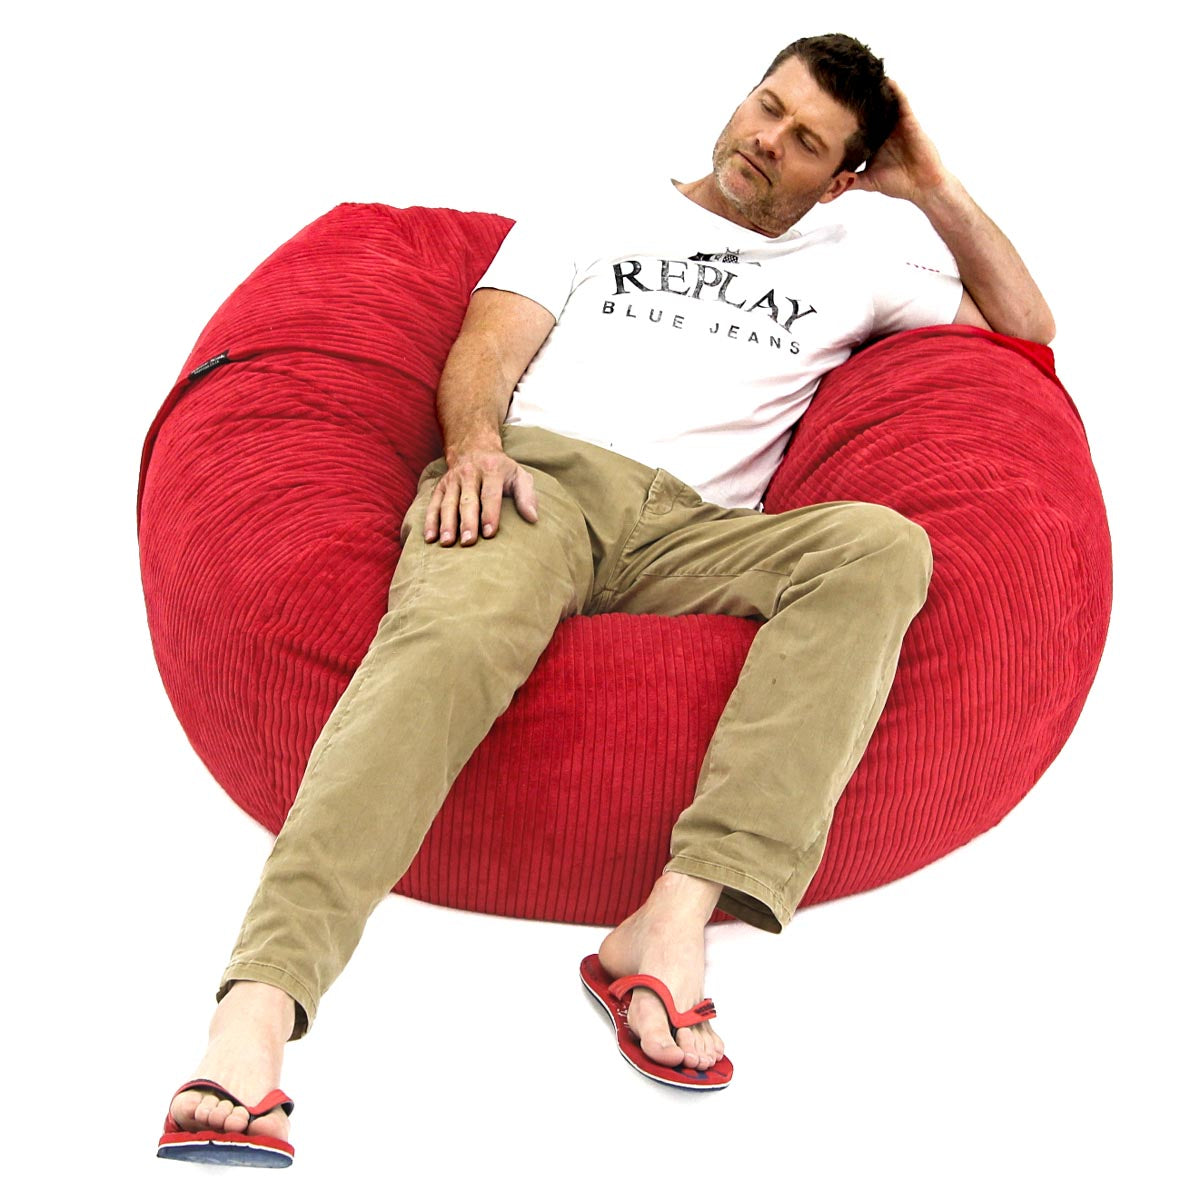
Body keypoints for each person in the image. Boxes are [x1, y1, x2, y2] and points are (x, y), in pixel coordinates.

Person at [158, 32, 1053, 1164]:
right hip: (542, 484)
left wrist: (930, 185)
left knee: (882, 548)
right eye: (765, 106)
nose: (765, 141)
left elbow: (1026, 327)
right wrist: (475, 449)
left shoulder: (860, 260)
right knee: (448, 641)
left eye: (805, 141)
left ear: (840, 178)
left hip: (698, 531)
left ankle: (671, 920)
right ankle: (258, 1007)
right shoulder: (597, 205)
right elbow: (489, 347)